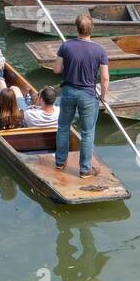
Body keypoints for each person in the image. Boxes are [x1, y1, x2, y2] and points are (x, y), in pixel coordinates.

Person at [52, 14, 109, 178]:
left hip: (68, 91)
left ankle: (60, 162)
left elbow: (57, 70)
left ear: (76, 28)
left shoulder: (66, 46)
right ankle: (85, 169)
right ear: (92, 29)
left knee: (63, 127)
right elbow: (104, 78)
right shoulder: (100, 50)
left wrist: (70, 65)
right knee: (88, 133)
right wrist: (103, 97)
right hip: (88, 95)